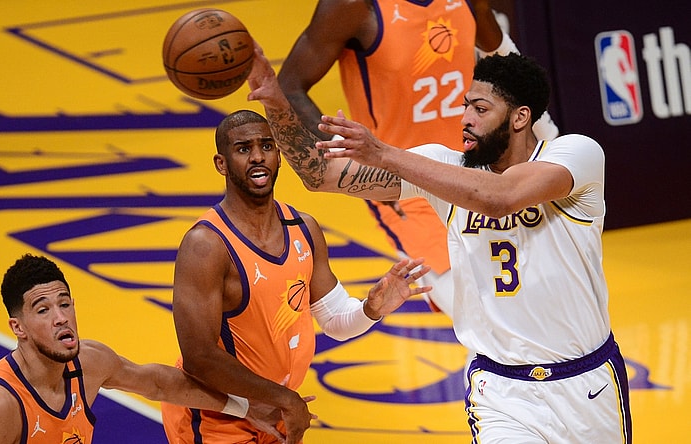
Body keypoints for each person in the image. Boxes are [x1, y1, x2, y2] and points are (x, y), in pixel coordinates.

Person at [249, 49, 632, 443]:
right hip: (501, 393)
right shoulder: (442, 167)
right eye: (466, 106)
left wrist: (385, 153)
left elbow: (500, 197)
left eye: (481, 109)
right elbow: (321, 175)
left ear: (520, 117)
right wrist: (275, 101)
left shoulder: (576, 155)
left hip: (586, 384)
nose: (465, 118)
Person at [161, 109, 431, 443]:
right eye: (243, 149)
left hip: (275, 410)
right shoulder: (206, 245)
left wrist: (371, 309)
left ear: (278, 154)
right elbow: (199, 358)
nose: (258, 157)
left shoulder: (303, 228)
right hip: (217, 417)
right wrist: (286, 400)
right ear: (221, 163)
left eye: (266, 146)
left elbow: (334, 320)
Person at [278, 0, 558, 314]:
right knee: (483, 312)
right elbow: (289, 86)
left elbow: (505, 60)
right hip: (408, 186)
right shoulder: (354, 6)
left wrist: (549, 137)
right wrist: (353, 161)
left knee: (534, 304)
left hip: (484, 173)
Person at [0, 253, 274, 444]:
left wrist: (246, 408)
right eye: (43, 310)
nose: (60, 318)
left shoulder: (90, 363)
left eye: (64, 304)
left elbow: (159, 384)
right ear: (18, 328)